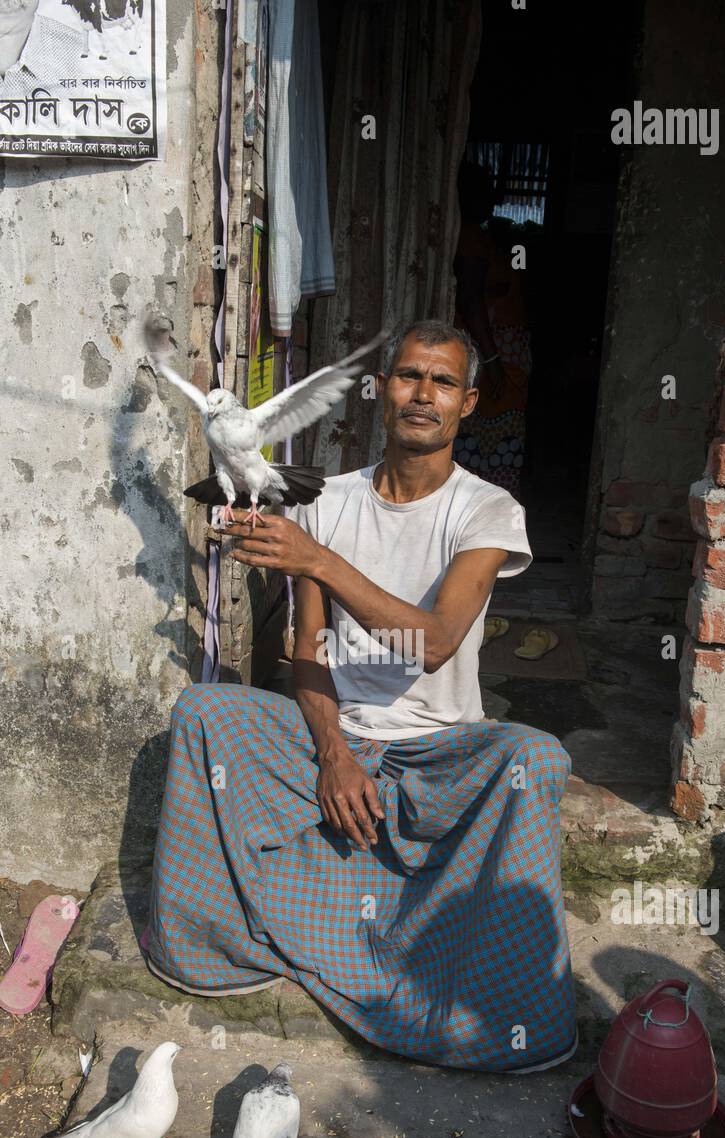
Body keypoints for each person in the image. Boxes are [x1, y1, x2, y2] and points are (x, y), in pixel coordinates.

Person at [145, 320, 577, 1074]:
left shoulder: (488, 511)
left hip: (441, 752)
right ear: (381, 390)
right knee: (203, 712)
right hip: (338, 737)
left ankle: (492, 1006)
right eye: (408, 376)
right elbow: (306, 652)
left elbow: (433, 643)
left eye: (443, 382)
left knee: (533, 759)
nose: (423, 395)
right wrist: (333, 753)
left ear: (469, 402)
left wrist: (319, 561)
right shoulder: (327, 500)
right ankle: (218, 949)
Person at [452, 162, 531, 501]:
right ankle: (482, 511)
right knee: (485, 439)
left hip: (499, 356)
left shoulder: (483, 239)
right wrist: (492, 360)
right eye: (483, 192)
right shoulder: (470, 239)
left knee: (493, 438)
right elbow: (470, 301)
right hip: (489, 356)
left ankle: (489, 511)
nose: (492, 200)